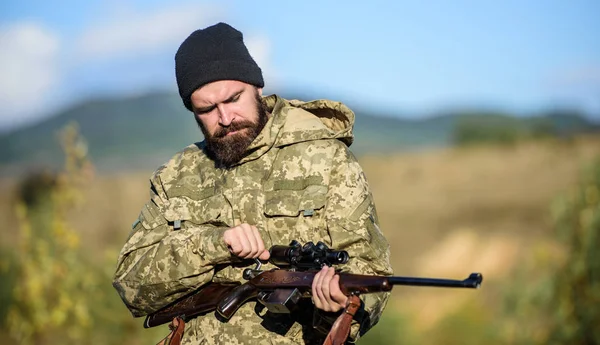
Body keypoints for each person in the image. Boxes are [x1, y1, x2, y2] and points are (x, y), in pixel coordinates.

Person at [112, 22, 393, 345]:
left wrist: (340, 308)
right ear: (192, 111)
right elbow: (131, 286)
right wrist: (212, 245)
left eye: (233, 99)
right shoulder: (175, 177)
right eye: (207, 109)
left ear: (257, 86)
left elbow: (371, 271)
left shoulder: (326, 158)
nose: (226, 117)